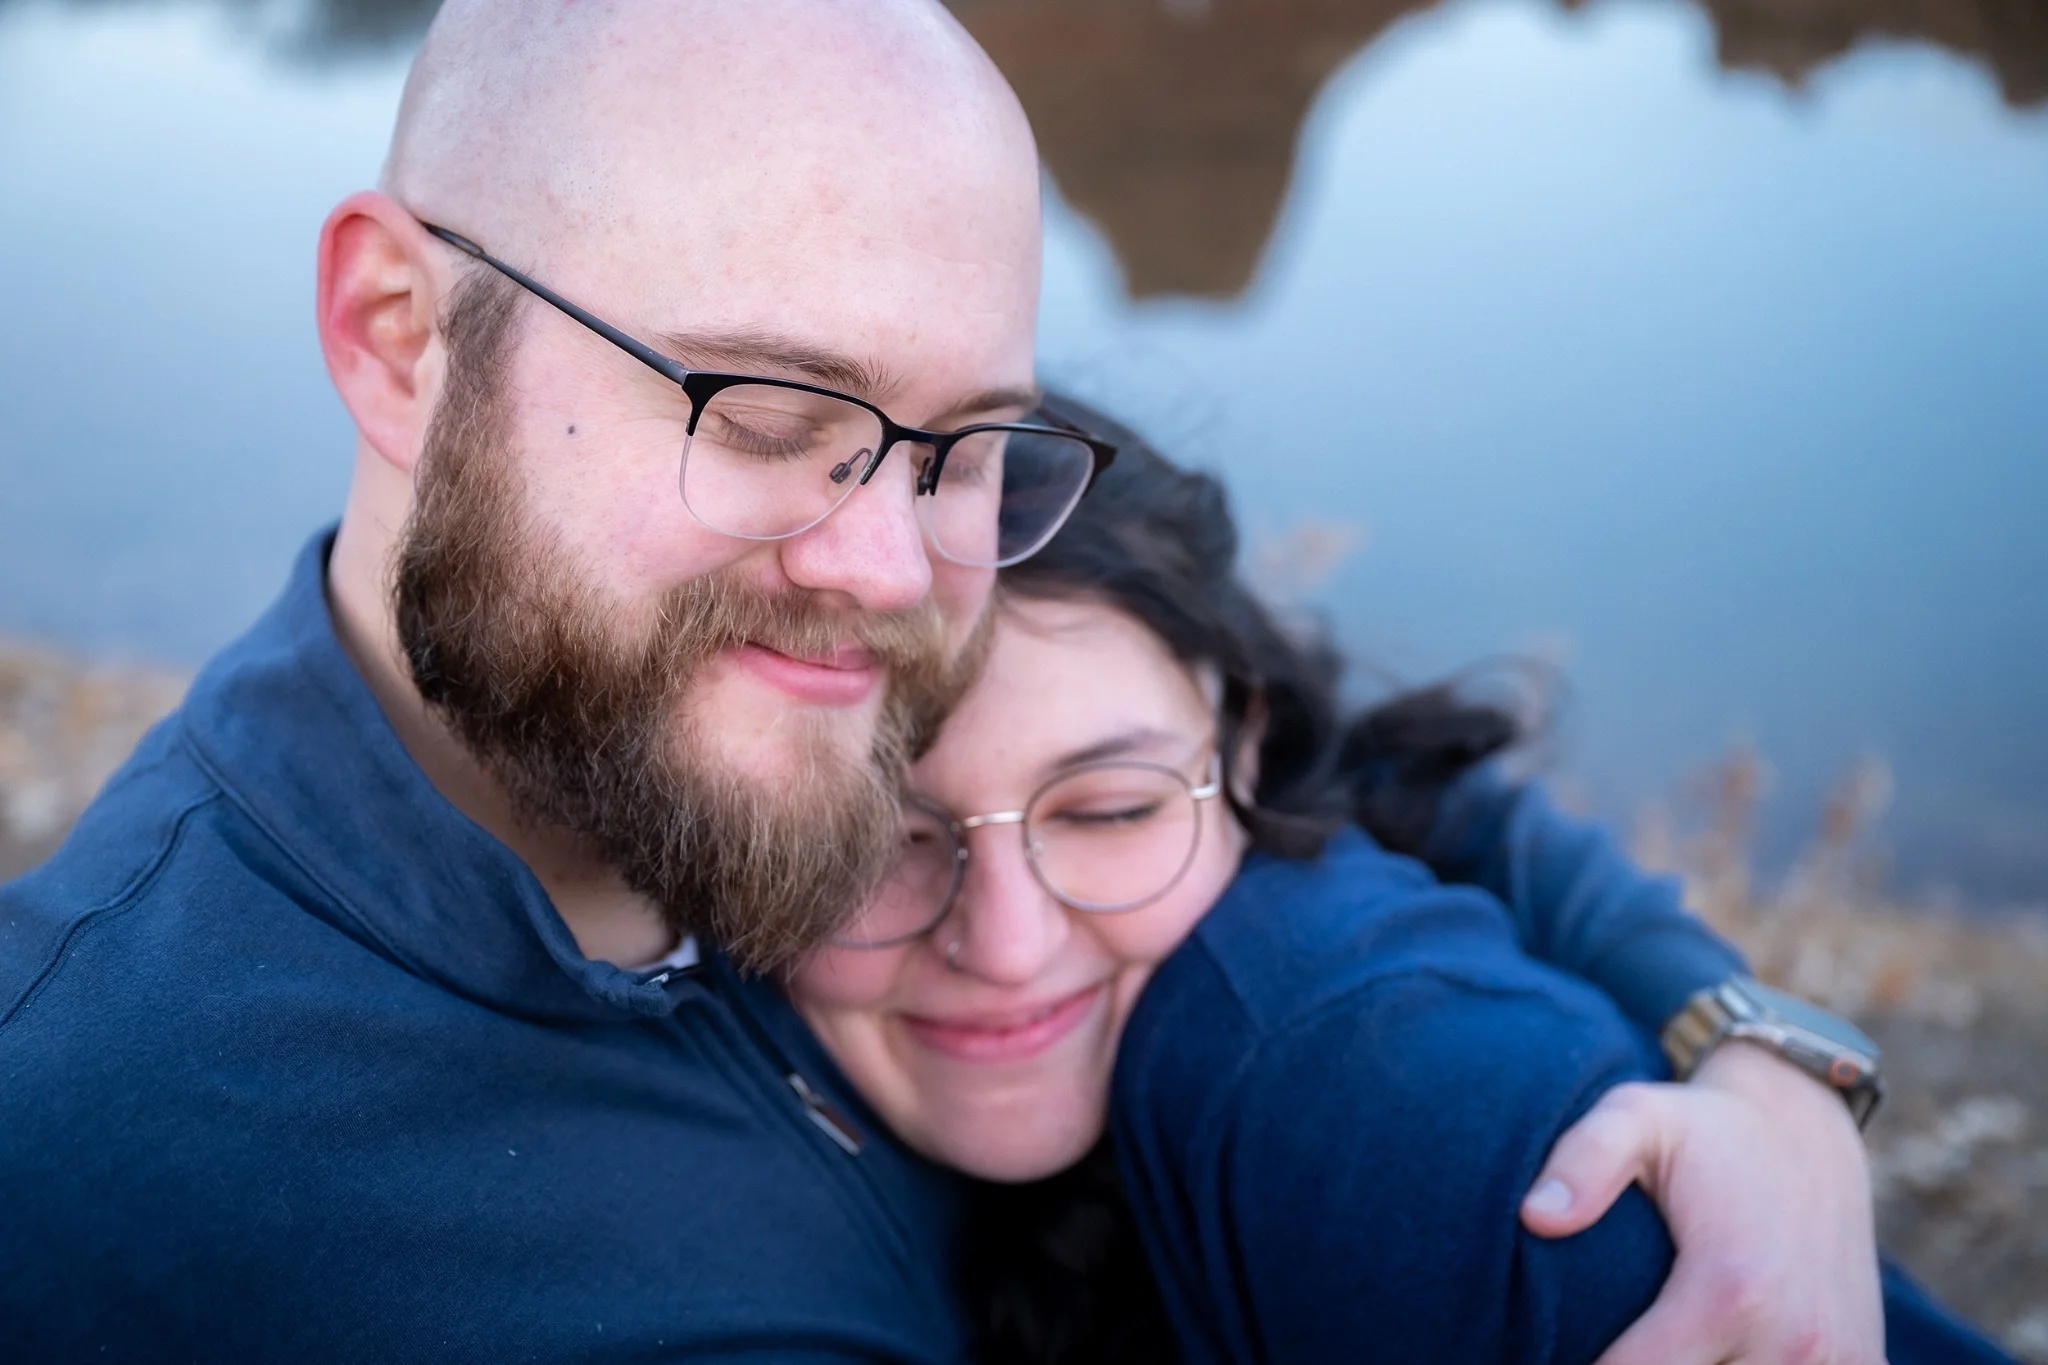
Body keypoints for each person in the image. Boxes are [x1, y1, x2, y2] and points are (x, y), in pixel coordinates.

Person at [0, 1, 1947, 1359]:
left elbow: (1333, 740)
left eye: (963, 444)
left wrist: (1747, 1045)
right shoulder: (95, 1162)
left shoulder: (1365, 1075)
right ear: (400, 338)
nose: (875, 572)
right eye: (763, 408)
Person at [784, 397, 2018, 1364]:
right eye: (881, 840)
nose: (1005, 942)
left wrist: (1757, 1049)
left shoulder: (1382, 1096)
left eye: (1111, 809)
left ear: (1242, 745)